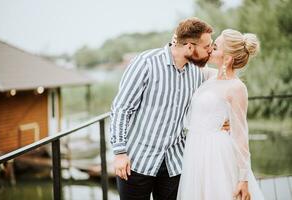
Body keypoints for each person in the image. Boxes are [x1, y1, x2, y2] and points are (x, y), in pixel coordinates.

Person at [109, 18, 228, 200]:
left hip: (174, 163)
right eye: (207, 46)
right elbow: (121, 109)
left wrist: (218, 123)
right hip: (136, 161)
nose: (210, 50)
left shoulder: (197, 73)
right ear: (189, 47)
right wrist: (119, 152)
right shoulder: (145, 63)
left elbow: (201, 107)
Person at [177, 29, 265, 200]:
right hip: (196, 150)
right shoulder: (209, 76)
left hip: (216, 153)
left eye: (215, 47)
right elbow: (186, 59)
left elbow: (241, 136)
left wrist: (243, 178)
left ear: (228, 58)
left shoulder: (236, 88)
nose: (209, 49)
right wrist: (180, 40)